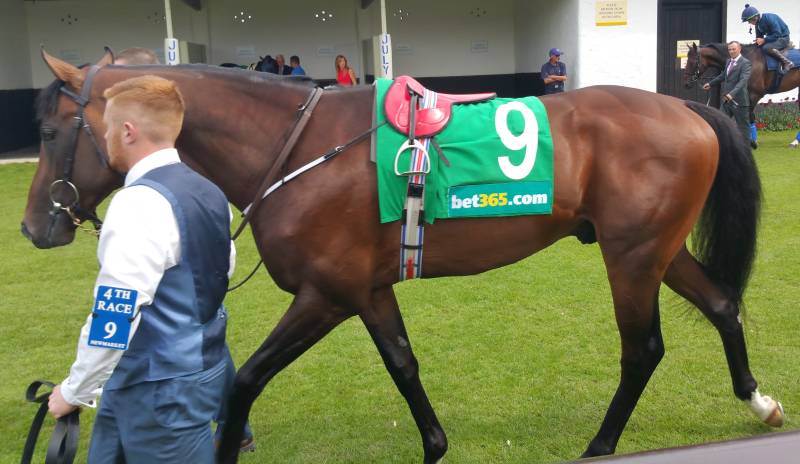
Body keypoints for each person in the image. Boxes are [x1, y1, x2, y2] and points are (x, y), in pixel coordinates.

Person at [46, 75, 250, 461]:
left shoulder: (137, 203)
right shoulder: (211, 192)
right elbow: (222, 272)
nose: (106, 137)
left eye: (108, 128)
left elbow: (114, 314)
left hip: (157, 391)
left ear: (128, 131)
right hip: (182, 375)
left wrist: (74, 391)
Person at [703, 41, 754, 148]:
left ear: (739, 49)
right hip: (727, 100)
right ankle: (722, 144)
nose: (731, 51)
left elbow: (743, 81)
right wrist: (710, 84)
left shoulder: (745, 63)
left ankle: (746, 147)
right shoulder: (728, 61)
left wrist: (732, 94)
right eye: (729, 49)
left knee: (743, 126)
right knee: (721, 121)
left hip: (739, 101)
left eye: (733, 49)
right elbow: (723, 76)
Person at [741, 4, 794, 74]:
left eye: (749, 20)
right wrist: (757, 42)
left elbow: (777, 34)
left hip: (783, 38)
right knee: (757, 47)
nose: (749, 23)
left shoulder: (769, 18)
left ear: (755, 17)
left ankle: (787, 62)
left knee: (766, 47)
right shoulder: (757, 24)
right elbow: (759, 37)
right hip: (774, 39)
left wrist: (764, 40)